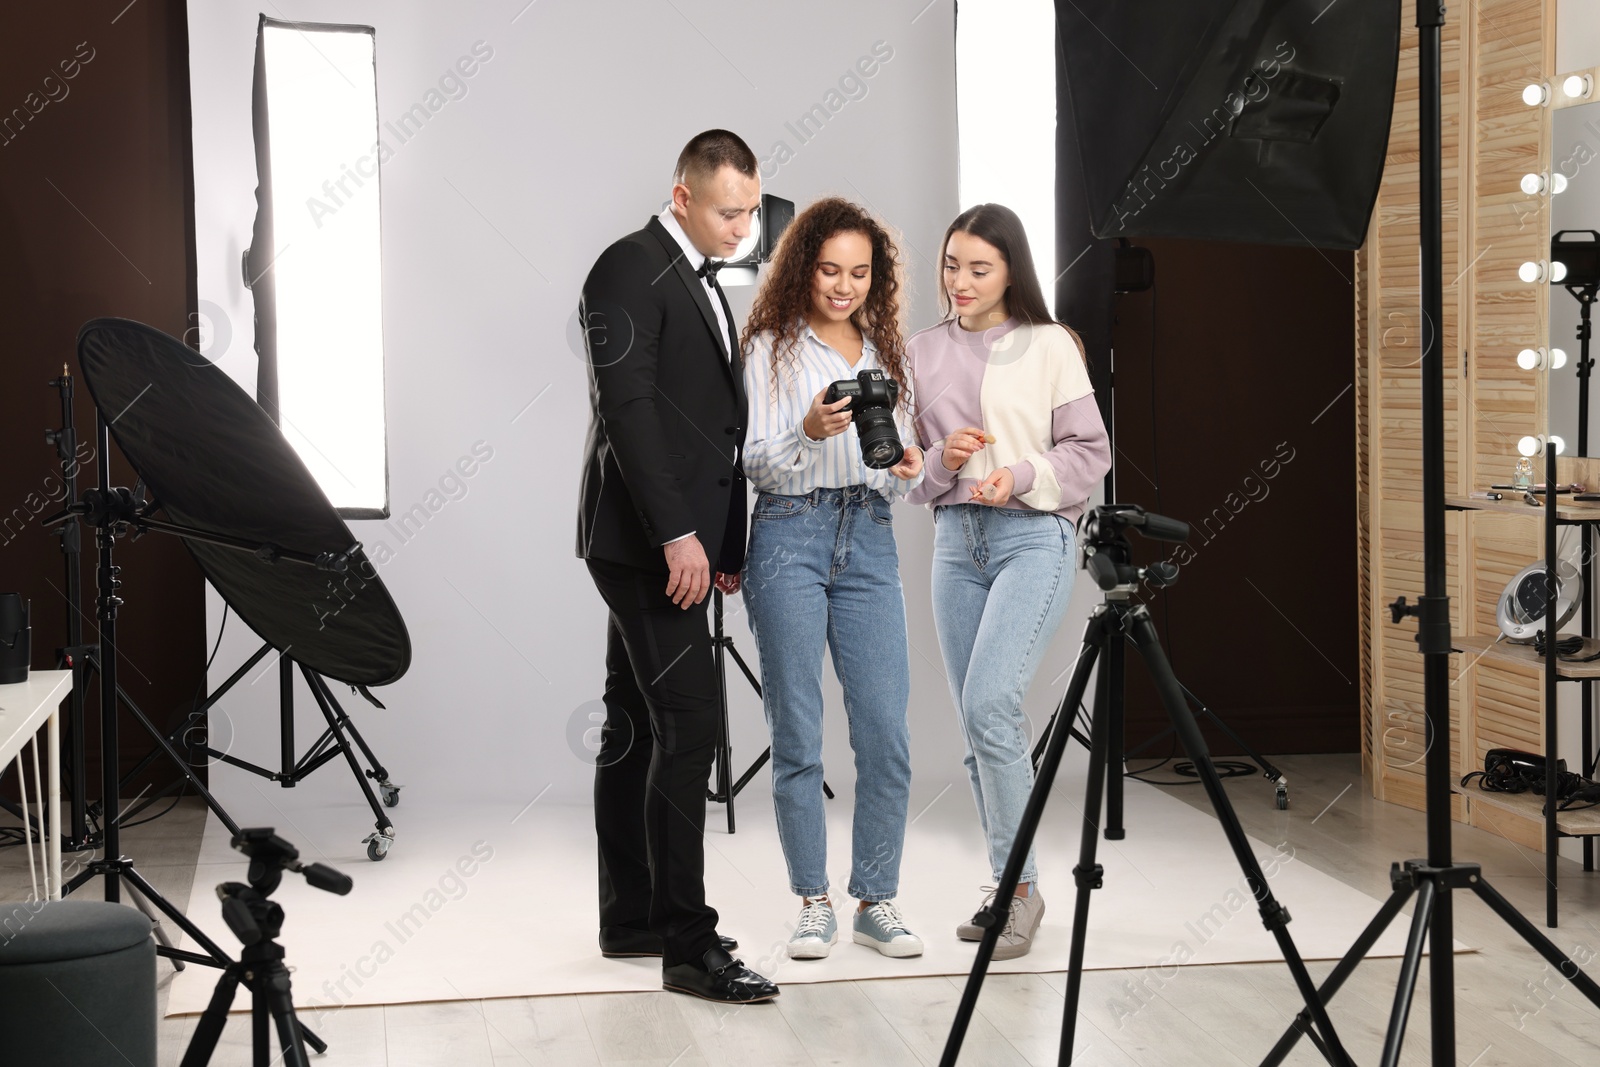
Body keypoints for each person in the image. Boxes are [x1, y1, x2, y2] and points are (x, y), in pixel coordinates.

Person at [575, 130, 777, 1003]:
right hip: (643, 544)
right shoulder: (626, 267)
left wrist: (722, 541)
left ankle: (633, 917)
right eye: (730, 211)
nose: (744, 227)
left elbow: (712, 428)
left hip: (677, 542)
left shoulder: (695, 273)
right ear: (683, 194)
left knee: (635, 720)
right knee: (690, 726)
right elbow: (629, 414)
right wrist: (677, 538)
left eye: (751, 209)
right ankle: (690, 945)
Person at [905, 203, 1111, 960]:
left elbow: (1091, 452)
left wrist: (1017, 474)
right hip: (956, 544)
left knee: (992, 703)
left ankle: (1017, 889)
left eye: (979, 268)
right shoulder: (921, 350)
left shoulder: (1050, 344)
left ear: (1011, 272)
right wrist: (945, 462)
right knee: (978, 725)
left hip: (1034, 538)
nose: (960, 281)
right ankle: (1009, 881)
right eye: (952, 264)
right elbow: (912, 478)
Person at [738, 198, 927, 961]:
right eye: (829, 270)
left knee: (885, 730)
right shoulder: (772, 347)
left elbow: (896, 461)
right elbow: (755, 460)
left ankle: (875, 899)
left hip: (870, 537)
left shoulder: (886, 347)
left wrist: (909, 466)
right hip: (788, 532)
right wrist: (807, 431)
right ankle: (813, 900)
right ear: (801, 268)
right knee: (799, 732)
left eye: (859, 272)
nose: (844, 286)